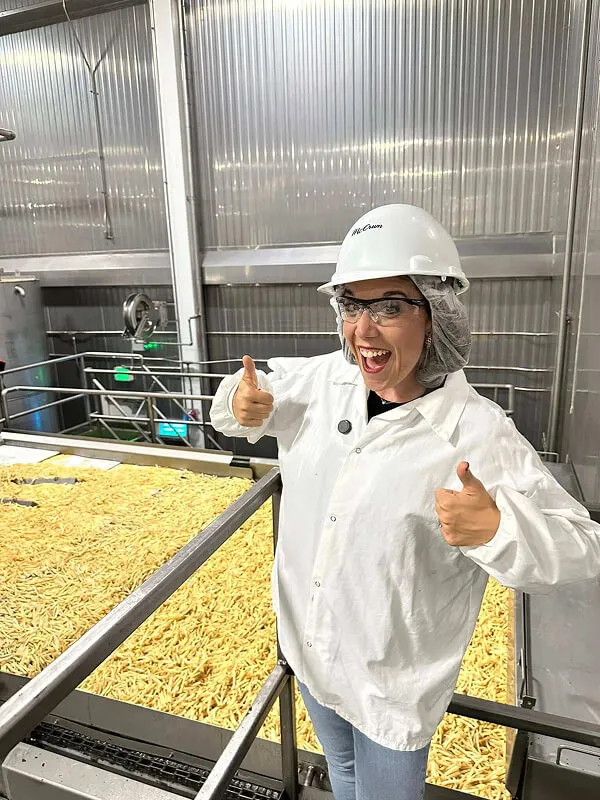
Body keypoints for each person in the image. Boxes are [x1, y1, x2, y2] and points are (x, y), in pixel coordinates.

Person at [210, 204, 600, 800]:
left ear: (435, 315)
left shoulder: (476, 431)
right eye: (351, 305)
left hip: (392, 686)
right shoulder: (322, 382)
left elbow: (581, 545)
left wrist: (498, 528)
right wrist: (241, 405)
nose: (362, 332)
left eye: (389, 306)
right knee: (341, 774)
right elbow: (245, 394)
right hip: (312, 653)